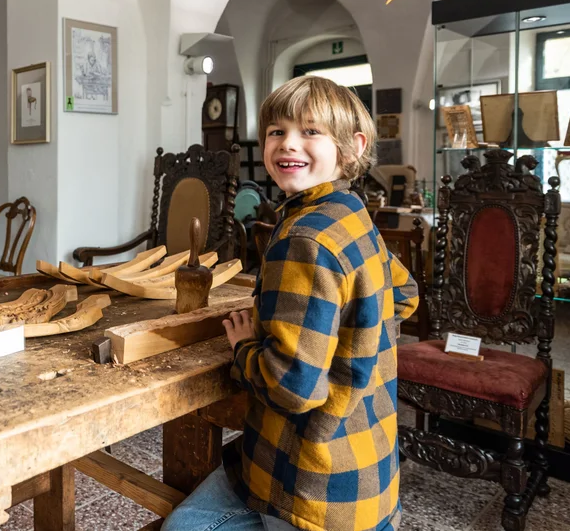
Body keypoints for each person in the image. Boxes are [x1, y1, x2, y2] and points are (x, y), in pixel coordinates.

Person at [163, 76, 419, 531]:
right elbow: (405, 295)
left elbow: (293, 387)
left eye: (311, 131)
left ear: (353, 146)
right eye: (277, 131)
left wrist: (245, 347)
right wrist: (349, 340)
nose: (289, 144)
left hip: (313, 485)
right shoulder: (351, 212)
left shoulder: (303, 239)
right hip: (369, 468)